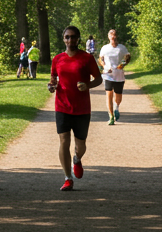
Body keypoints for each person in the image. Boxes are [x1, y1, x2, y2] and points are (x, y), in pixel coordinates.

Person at [49, 25, 102, 191]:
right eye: (67, 37)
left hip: (82, 108)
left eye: (73, 37)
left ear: (78, 39)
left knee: (81, 145)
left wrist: (87, 85)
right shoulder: (57, 59)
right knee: (64, 141)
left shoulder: (86, 58)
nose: (70, 40)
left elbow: (99, 79)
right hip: (62, 106)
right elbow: (53, 79)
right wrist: (51, 86)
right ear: (63, 39)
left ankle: (77, 159)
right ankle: (67, 178)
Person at [98, 28, 131, 124]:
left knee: (118, 98)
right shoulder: (105, 48)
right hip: (108, 74)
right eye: (111, 35)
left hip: (119, 75)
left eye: (114, 35)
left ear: (117, 37)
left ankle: (117, 107)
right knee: (109, 94)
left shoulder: (121, 48)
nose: (113, 37)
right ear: (108, 37)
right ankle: (111, 116)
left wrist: (122, 64)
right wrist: (103, 66)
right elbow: (100, 59)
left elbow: (128, 57)